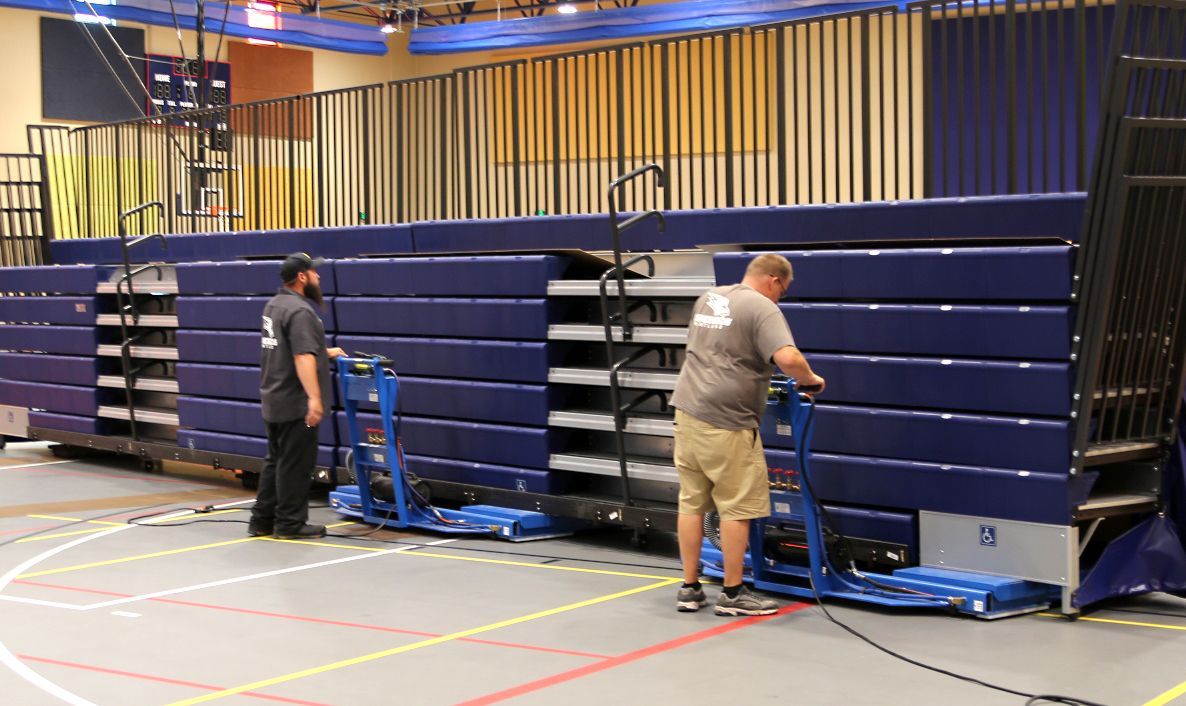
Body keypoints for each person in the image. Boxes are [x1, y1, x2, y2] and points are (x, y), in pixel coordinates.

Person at [669, 253, 825, 616]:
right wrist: (810, 379)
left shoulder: (710, 297)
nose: (779, 298)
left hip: (687, 411)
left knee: (692, 502)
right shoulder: (762, 308)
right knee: (736, 507)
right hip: (727, 420)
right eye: (782, 291)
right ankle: (733, 594)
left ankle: (690, 589)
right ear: (774, 280)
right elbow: (787, 357)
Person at [248, 252, 345, 540]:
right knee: (295, 464)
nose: (318, 277)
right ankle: (290, 524)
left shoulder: (274, 305)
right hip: (295, 401)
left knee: (275, 460)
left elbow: (288, 348)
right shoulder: (301, 311)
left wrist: (323, 352)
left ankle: (262, 520)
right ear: (302, 277)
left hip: (273, 395)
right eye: (314, 273)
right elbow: (301, 356)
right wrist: (313, 399)